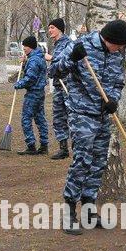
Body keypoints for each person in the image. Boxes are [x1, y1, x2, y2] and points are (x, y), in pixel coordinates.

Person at [50, 19, 126, 235]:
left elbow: (117, 82)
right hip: (82, 113)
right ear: (109, 39)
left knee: (98, 163)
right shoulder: (80, 47)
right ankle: (68, 213)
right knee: (82, 161)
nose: (120, 50)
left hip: (103, 116)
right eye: (119, 46)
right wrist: (70, 59)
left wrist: (113, 99)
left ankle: (88, 211)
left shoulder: (115, 55)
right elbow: (54, 71)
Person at [14, 36, 49, 155]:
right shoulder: (38, 57)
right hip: (40, 93)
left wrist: (18, 84)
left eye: (25, 47)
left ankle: (31, 145)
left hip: (33, 93)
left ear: (31, 47)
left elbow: (30, 78)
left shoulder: (34, 60)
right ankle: (44, 145)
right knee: (40, 118)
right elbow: (31, 73)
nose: (24, 49)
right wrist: (24, 64)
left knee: (26, 119)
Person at [44, 18, 72, 160]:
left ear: (60, 29)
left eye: (52, 27)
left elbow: (63, 60)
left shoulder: (68, 43)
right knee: (58, 117)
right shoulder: (56, 44)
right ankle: (63, 148)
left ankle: (78, 147)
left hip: (68, 85)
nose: (50, 30)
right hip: (58, 85)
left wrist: (50, 58)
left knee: (72, 116)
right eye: (49, 28)